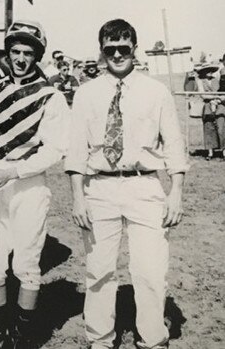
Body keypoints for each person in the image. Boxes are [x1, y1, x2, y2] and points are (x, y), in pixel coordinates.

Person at [65, 19, 188, 349]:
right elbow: (76, 151)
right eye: (110, 49)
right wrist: (78, 198)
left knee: (149, 270)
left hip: (144, 186)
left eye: (124, 48)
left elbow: (174, 144)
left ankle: (152, 339)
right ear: (101, 52)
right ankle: (100, 340)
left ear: (134, 48)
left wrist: (175, 192)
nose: (117, 54)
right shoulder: (86, 94)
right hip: (99, 189)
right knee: (99, 270)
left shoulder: (156, 91)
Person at [0, 19, 70, 349]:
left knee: (26, 265)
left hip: (29, 184)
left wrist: (13, 172)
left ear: (37, 56)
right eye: (15, 51)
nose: (20, 58)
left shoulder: (51, 96)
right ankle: (0, 334)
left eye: (27, 52)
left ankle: (22, 338)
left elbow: (56, 150)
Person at [184, 63, 225, 159]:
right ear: (204, 72)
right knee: (208, 127)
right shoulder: (200, 81)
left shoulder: (217, 80)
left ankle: (223, 152)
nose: (210, 72)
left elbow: (222, 91)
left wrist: (218, 100)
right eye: (208, 70)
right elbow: (203, 95)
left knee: (221, 127)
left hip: (219, 105)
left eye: (212, 70)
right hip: (207, 105)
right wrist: (214, 97)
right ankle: (210, 153)